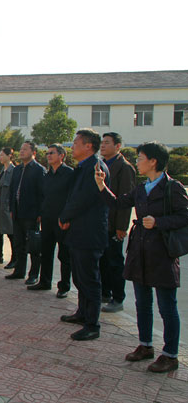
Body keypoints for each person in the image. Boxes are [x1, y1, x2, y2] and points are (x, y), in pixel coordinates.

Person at [95, 141, 188, 372]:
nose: (137, 162)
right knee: (142, 304)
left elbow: (184, 216)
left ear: (153, 161)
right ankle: (145, 345)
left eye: (140, 158)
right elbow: (118, 203)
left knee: (167, 306)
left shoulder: (172, 187)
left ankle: (170, 355)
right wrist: (101, 185)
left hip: (162, 254)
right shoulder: (141, 188)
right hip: (139, 252)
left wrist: (159, 222)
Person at [59, 129, 110, 341]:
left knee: (90, 279)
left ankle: (92, 324)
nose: (72, 147)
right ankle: (82, 313)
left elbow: (84, 199)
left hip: (90, 232)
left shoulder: (96, 168)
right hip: (78, 231)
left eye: (76, 143)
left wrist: (65, 216)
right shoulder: (84, 167)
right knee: (80, 277)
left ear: (88, 146)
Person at [28, 144, 73, 297]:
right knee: (46, 252)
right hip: (47, 219)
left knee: (64, 255)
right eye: (47, 153)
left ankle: (64, 286)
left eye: (52, 153)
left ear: (61, 155)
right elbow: (43, 197)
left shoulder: (69, 174)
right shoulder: (47, 175)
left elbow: (72, 198)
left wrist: (67, 217)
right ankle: (45, 281)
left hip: (62, 220)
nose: (48, 156)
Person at [99, 132, 136, 313]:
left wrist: (122, 227)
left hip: (114, 224)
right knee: (103, 261)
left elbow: (125, 200)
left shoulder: (124, 168)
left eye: (107, 143)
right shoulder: (101, 165)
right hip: (101, 222)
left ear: (118, 146)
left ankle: (118, 297)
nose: (103, 145)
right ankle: (104, 293)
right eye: (102, 142)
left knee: (114, 262)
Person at [5, 141, 45, 285]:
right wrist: (11, 208)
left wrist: (40, 213)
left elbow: (43, 193)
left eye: (25, 149)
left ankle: (33, 274)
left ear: (33, 153)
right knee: (18, 244)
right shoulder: (17, 169)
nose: (21, 151)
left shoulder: (39, 170)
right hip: (17, 213)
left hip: (31, 214)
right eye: (21, 149)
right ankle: (19, 271)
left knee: (33, 246)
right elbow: (12, 190)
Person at [0, 147, 15, 266]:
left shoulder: (13, 171)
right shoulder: (3, 171)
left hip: (6, 208)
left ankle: (14, 258)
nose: (0, 157)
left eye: (2, 155)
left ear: (9, 156)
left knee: (11, 234)